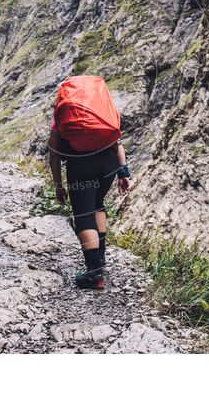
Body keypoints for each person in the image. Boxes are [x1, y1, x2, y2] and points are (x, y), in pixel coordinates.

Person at [48, 114, 130, 290]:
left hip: (81, 164)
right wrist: (123, 171)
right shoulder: (100, 105)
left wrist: (58, 185)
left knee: (84, 215)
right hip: (109, 163)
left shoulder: (64, 110)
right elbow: (118, 140)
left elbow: (54, 153)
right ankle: (99, 261)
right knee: (97, 204)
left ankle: (94, 274)